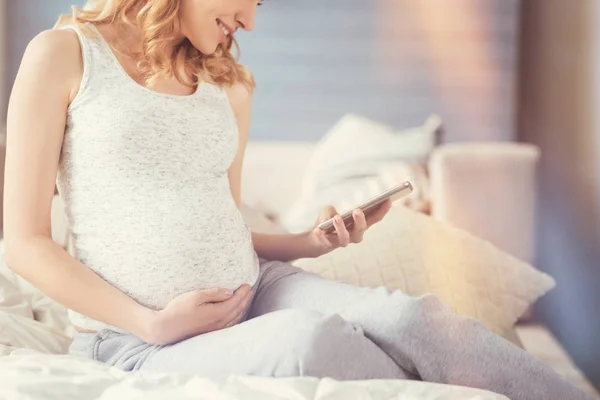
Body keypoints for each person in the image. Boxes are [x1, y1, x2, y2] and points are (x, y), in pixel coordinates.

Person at [3, 1, 592, 399]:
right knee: (311, 341)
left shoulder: (224, 81)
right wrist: (150, 323)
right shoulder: (61, 55)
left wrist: (309, 242)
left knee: (413, 317)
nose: (253, 22)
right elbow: (25, 241)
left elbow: (222, 221)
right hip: (136, 339)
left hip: (258, 286)